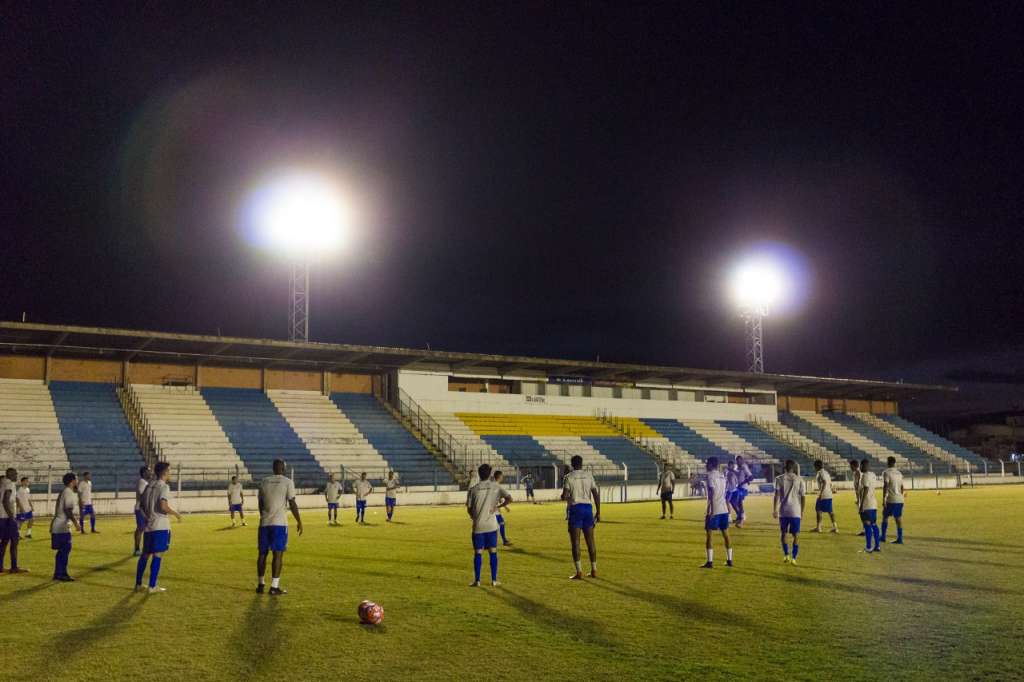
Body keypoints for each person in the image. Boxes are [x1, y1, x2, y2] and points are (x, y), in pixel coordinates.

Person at [257, 459, 303, 595]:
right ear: (283, 469)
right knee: (278, 554)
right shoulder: (288, 482)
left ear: (273, 468)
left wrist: (263, 516)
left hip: (264, 523)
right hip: (279, 524)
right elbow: (292, 502)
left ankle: (260, 585)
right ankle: (274, 587)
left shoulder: (264, 481)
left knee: (262, 554)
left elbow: (260, 502)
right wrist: (299, 521)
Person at [136, 462, 182, 593]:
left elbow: (141, 506)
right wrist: (176, 514)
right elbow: (163, 506)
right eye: (169, 471)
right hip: (160, 525)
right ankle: (152, 586)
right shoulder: (164, 487)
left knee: (145, 554)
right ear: (164, 472)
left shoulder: (149, 485)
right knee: (158, 554)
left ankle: (138, 584)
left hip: (149, 526)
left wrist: (147, 518)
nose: (170, 473)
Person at [466, 463, 511, 587]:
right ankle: (494, 580)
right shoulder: (495, 486)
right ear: (490, 474)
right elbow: (509, 498)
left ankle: (477, 580)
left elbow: (469, 509)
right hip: (491, 525)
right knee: (493, 552)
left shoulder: (473, 489)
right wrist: (498, 506)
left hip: (478, 526)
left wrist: (474, 516)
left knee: (478, 553)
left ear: (479, 475)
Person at [562, 455, 600, 580]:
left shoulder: (568, 477)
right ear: (582, 463)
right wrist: (598, 511)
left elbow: (565, 495)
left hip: (576, 509)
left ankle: (579, 572)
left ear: (572, 464)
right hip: (588, 509)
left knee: (576, 543)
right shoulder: (589, 475)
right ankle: (594, 570)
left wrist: (564, 496)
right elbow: (595, 493)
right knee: (591, 542)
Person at [773, 460, 807, 564]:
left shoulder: (779, 479)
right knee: (795, 535)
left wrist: (774, 509)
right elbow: (803, 497)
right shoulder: (799, 479)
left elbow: (777, 495)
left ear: (785, 467)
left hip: (783, 511)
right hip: (795, 511)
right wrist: (802, 511)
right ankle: (794, 558)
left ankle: (786, 555)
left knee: (783, 533)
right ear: (793, 468)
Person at [702, 457, 734, 568]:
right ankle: (729, 560)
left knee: (709, 535)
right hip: (724, 509)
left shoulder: (710, 476)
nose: (706, 465)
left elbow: (711, 493)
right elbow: (724, 492)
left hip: (714, 509)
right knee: (726, 534)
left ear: (711, 464)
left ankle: (710, 562)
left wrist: (710, 509)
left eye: (707, 463)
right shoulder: (722, 476)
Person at [51, 472, 80, 581]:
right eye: (76, 479)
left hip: (59, 524)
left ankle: (58, 573)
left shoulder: (66, 492)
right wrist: (76, 523)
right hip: (62, 525)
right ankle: (62, 573)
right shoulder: (68, 492)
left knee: (63, 550)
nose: (77, 481)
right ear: (72, 481)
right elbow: (67, 510)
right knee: (65, 549)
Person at [0, 467, 26, 574]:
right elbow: (5, 501)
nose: (16, 475)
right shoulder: (10, 484)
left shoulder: (3, 483)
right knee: (15, 541)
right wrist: (12, 518)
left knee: (4, 542)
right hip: (8, 518)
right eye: (15, 474)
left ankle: (0, 566)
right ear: (10, 475)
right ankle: (14, 567)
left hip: (2, 517)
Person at [881, 457, 906, 544]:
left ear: (888, 463)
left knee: (885, 516)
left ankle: (883, 537)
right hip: (900, 499)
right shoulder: (899, 473)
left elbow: (886, 485)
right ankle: (900, 538)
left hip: (891, 499)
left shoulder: (886, 472)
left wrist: (883, 499)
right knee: (898, 519)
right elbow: (902, 487)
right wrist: (901, 496)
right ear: (894, 463)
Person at [858, 459, 881, 553]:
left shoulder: (864, 476)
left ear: (865, 466)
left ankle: (868, 547)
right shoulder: (873, 475)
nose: (860, 467)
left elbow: (866, 488)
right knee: (874, 524)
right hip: (873, 504)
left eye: (861, 465)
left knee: (867, 525)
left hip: (866, 504)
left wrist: (861, 504)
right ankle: (877, 546)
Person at [812, 460, 838, 533]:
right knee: (830, 511)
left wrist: (820, 493)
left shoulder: (820, 473)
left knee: (818, 510)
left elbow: (824, 482)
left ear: (816, 466)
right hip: (828, 494)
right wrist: (831, 490)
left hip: (823, 495)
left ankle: (818, 527)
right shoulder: (826, 472)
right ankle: (835, 527)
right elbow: (829, 483)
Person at [133, 466, 151, 556]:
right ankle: (137, 549)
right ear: (144, 473)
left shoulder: (145, 482)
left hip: (144, 509)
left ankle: (142, 548)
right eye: (148, 471)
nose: (150, 473)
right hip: (140, 509)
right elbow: (141, 496)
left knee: (143, 529)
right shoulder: (142, 482)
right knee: (140, 529)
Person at [492, 470, 512, 545]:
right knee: (498, 525)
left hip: (489, 510)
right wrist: (501, 506)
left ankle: (504, 540)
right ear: (500, 477)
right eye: (502, 476)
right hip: (495, 510)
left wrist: (505, 507)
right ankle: (503, 541)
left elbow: (498, 498)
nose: (502, 477)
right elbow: (510, 499)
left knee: (501, 523)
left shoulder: (491, 485)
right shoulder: (499, 487)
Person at [733, 456, 753, 527]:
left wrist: (743, 482)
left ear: (742, 460)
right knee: (733, 502)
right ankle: (740, 516)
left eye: (739, 460)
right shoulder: (736, 467)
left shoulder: (744, 467)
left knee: (739, 501)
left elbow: (751, 477)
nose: (738, 462)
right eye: (737, 461)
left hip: (743, 488)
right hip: (736, 488)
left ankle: (741, 520)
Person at [850, 459, 865, 537]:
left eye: (851, 466)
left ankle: (865, 529)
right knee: (861, 513)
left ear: (854, 466)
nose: (850, 468)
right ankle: (865, 529)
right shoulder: (855, 473)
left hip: (861, 495)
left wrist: (858, 499)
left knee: (862, 513)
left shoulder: (858, 473)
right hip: (858, 495)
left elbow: (859, 487)